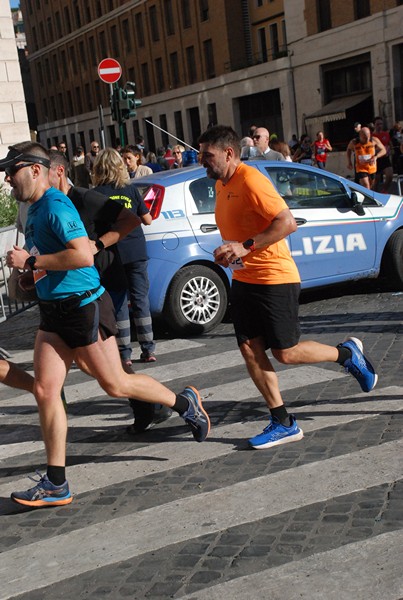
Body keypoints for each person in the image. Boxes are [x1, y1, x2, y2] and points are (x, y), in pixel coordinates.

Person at [1, 141, 210, 508]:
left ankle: (184, 402)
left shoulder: (55, 204)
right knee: (46, 391)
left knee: (115, 384)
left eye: (11, 170)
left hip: (84, 308)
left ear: (36, 170)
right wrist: (32, 275)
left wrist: (33, 264)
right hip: (54, 313)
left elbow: (83, 255)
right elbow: (50, 260)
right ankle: (56, 483)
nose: (6, 178)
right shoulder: (32, 209)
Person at [198, 125, 377, 449]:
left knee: (286, 353)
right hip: (244, 280)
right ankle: (282, 420)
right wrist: (230, 252)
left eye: (207, 155)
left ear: (228, 153)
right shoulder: (223, 186)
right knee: (250, 350)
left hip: (274, 278)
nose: (202, 161)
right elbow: (240, 234)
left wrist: (245, 246)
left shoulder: (250, 180)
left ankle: (346, 354)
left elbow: (286, 222)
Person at [48, 150, 169, 433]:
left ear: (59, 171)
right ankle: (151, 405)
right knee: (95, 364)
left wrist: (98, 244)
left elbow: (131, 219)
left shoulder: (85, 197)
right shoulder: (50, 204)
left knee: (104, 363)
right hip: (73, 291)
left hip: (100, 282)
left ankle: (166, 403)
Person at [92, 148, 157, 364]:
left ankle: (125, 353)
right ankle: (148, 349)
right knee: (140, 298)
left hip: (112, 253)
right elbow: (147, 220)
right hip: (136, 250)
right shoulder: (130, 190)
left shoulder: (96, 194)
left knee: (118, 301)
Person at [372, 117, 393, 192]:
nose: (379, 126)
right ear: (374, 125)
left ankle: (384, 190)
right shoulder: (371, 136)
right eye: (377, 124)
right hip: (376, 159)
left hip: (385, 158)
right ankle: (375, 195)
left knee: (390, 175)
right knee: (376, 181)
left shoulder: (386, 134)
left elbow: (389, 143)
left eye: (381, 124)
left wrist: (390, 149)